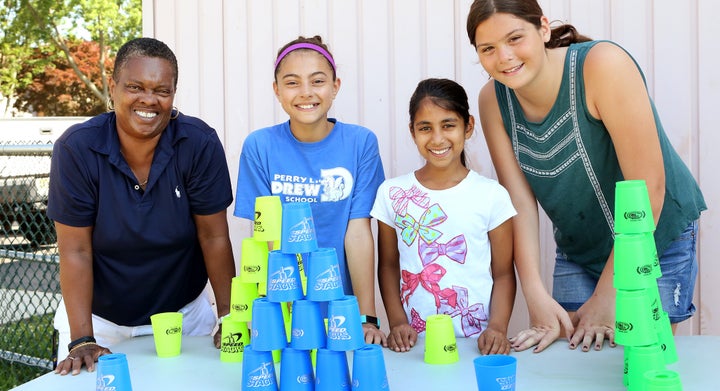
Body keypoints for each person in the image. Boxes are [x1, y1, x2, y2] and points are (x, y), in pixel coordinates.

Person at [465, 0, 706, 353]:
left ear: (543, 29)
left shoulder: (602, 65)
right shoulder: (492, 101)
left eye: (515, 38)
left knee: (640, 359)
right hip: (580, 250)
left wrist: (609, 293)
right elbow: (517, 203)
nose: (504, 57)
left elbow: (648, 190)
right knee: (576, 360)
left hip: (655, 237)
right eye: (488, 49)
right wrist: (534, 294)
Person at [48, 37, 236, 375]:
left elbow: (214, 238)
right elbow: (75, 250)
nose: (148, 99)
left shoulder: (198, 143)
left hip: (183, 316)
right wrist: (81, 339)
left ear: (174, 94)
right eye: (135, 86)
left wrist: (231, 317)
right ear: (114, 87)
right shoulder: (77, 149)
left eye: (162, 90)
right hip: (99, 322)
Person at [233, 36, 387, 345]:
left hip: (341, 313)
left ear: (335, 86)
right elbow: (268, 239)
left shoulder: (360, 144)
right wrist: (279, 317)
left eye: (317, 81)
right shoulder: (259, 147)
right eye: (292, 83)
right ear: (276, 90)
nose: (306, 93)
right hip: (285, 313)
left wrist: (366, 318)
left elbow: (358, 231)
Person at [371, 78, 516, 355]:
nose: (437, 139)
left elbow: (504, 274)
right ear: (413, 132)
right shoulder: (392, 193)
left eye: (448, 125)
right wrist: (398, 322)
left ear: (468, 126)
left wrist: (497, 328)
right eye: (425, 128)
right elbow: (388, 265)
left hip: (475, 341)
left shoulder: (492, 195)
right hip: (414, 345)